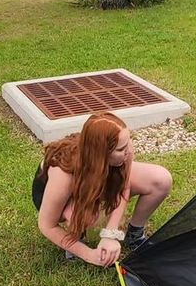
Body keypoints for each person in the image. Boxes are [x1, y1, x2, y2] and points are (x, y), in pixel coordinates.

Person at [32, 110, 172, 267]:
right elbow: (47, 225)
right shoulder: (62, 172)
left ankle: (134, 234)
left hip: (98, 177)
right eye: (120, 149)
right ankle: (75, 236)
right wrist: (89, 254)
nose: (128, 151)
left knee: (161, 180)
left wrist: (110, 235)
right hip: (58, 196)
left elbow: (123, 187)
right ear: (100, 154)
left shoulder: (125, 149)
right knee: (88, 216)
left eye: (128, 142)